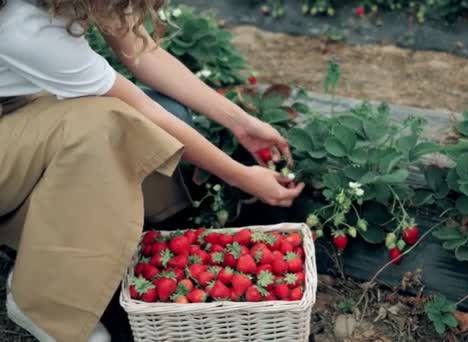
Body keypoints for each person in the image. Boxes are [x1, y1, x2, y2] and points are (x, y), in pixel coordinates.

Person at [0, 0, 305, 340]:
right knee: (103, 125)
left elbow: (143, 53)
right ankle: (42, 303)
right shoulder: (21, 25)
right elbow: (142, 112)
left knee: (165, 113)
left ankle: (47, 253)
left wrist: (241, 122)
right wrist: (240, 175)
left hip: (24, 110)